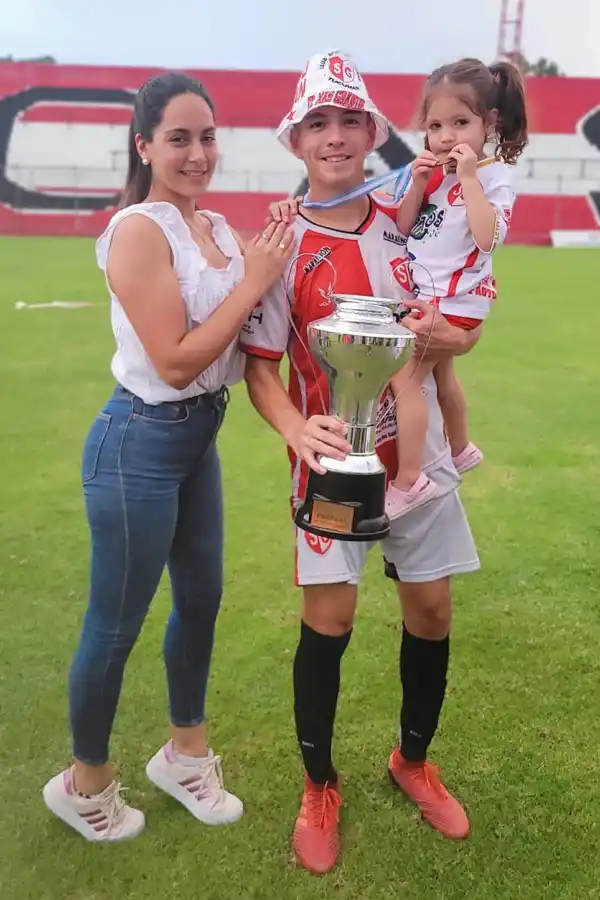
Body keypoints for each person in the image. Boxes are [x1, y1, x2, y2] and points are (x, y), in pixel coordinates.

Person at [243, 49, 482, 876]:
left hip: (419, 457)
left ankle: (412, 761)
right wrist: (291, 427)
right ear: (296, 138)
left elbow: (462, 301)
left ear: (371, 131)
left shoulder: (408, 212)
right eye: (319, 123)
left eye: (350, 121)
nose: (336, 137)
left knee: (432, 614)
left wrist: (453, 336)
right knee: (330, 624)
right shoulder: (281, 239)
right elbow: (260, 366)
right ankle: (320, 784)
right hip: (333, 462)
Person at [42, 71, 294, 842]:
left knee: (201, 602)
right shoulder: (137, 230)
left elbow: (250, 315)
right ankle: (84, 785)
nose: (197, 153)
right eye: (179, 138)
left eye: (208, 136)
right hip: (138, 444)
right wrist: (252, 282)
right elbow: (178, 360)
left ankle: (185, 756)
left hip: (195, 441)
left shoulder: (215, 224)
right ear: (144, 144)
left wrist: (273, 253)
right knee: (114, 626)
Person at [383, 57, 528, 519]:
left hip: (455, 303)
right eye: (435, 125)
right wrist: (418, 184)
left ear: (489, 124)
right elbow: (404, 229)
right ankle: (461, 447)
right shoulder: (432, 176)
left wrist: (469, 179)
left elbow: (488, 239)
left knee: (404, 379)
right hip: (428, 296)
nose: (446, 137)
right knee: (443, 375)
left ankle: (410, 480)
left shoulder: (493, 176)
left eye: (461, 123)